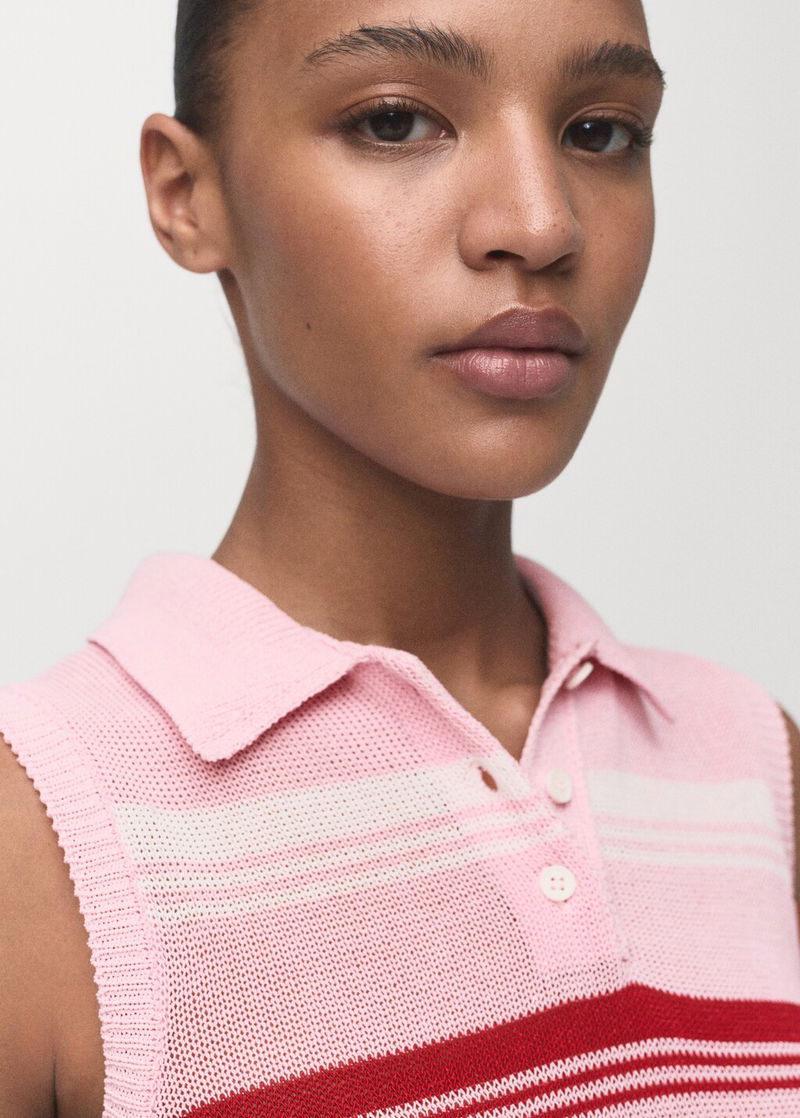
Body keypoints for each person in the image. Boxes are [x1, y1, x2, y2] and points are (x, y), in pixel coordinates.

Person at [1, 0, 799, 1114]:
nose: (540, 222)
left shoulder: (755, 767)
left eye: (600, 131)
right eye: (393, 122)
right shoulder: (42, 848)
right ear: (188, 194)